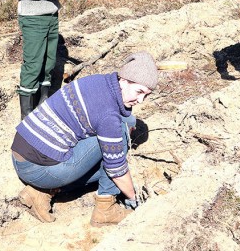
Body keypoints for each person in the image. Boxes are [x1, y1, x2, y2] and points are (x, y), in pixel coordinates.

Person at [11, 51, 158, 225]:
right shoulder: (108, 117)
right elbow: (116, 169)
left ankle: (39, 192)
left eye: (146, 95)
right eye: (139, 91)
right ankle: (105, 211)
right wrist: (133, 197)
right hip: (38, 169)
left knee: (112, 141)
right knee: (118, 142)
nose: (141, 100)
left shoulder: (99, 82)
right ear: (124, 80)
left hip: (20, 155)